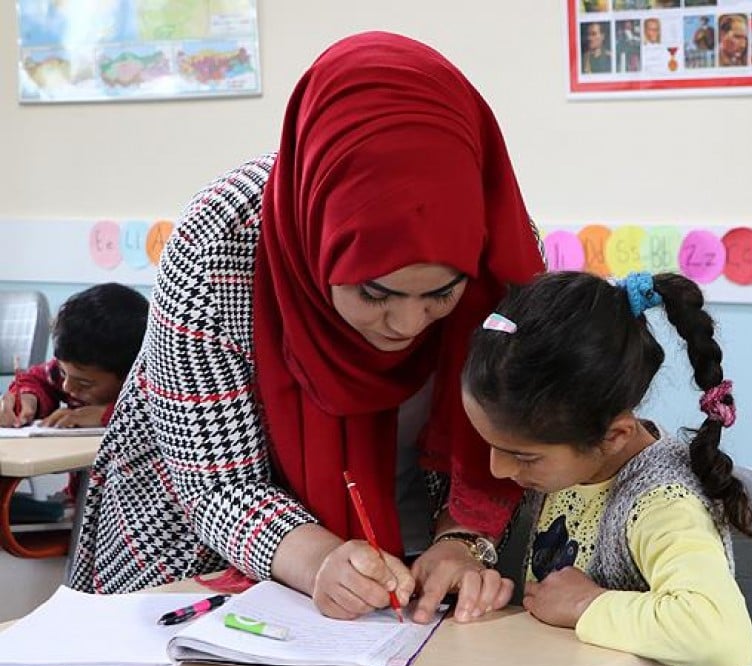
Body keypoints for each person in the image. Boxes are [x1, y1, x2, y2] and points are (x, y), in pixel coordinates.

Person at [66, 33, 546, 629]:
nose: (405, 323)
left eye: (441, 294)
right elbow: (215, 481)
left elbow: (515, 436)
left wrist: (462, 541)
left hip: (418, 581)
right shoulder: (218, 249)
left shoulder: (500, 253)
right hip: (213, 563)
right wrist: (317, 559)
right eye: (375, 293)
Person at [462, 271, 752, 666]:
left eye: (521, 456)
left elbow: (725, 642)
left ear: (615, 435)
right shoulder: (571, 468)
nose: (498, 469)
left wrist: (586, 604)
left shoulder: (661, 501)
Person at [1, 283, 147, 430]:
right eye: (64, 373)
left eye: (85, 384)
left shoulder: (154, 385)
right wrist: (29, 399)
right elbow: (36, 379)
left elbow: (153, 414)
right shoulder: (73, 371)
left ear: (130, 374)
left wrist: (109, 415)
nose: (67, 386)